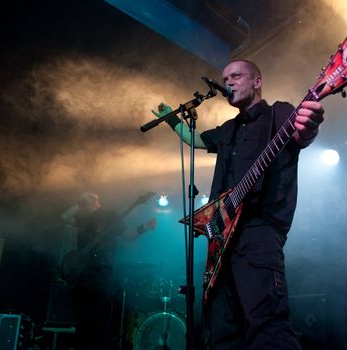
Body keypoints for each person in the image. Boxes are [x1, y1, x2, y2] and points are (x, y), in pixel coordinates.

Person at [153, 59, 324, 349]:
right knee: (223, 329)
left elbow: (301, 134)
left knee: (266, 323)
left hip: (258, 230)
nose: (228, 82)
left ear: (257, 81)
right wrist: (172, 120)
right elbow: (193, 138)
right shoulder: (229, 129)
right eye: (225, 78)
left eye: (235, 76)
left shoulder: (278, 112)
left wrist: (310, 125)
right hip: (222, 238)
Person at [61, 192, 156, 349]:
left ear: (98, 199)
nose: (90, 195)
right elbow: (64, 217)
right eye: (88, 196)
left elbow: (129, 235)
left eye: (92, 195)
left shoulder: (110, 216)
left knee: (99, 319)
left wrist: (144, 227)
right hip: (82, 274)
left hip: (102, 273)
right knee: (81, 319)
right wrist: (80, 203)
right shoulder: (83, 217)